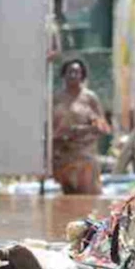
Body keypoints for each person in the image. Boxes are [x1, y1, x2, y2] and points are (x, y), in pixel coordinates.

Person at [52, 59, 111, 195]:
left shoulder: (89, 98)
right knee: (68, 200)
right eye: (70, 72)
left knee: (88, 197)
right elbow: (50, 126)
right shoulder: (56, 98)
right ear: (63, 75)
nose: (73, 75)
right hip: (62, 154)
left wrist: (83, 130)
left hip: (84, 155)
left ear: (82, 76)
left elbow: (103, 127)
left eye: (77, 72)